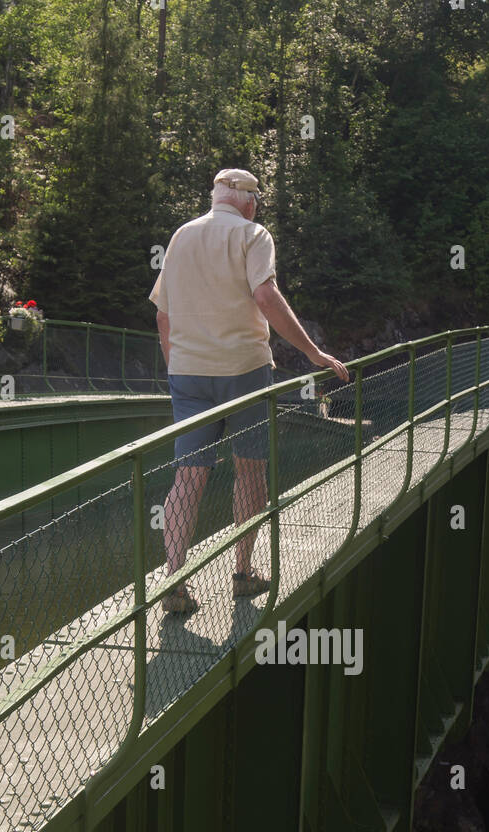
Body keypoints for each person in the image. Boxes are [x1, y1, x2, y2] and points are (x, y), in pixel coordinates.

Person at [149, 168, 350, 616]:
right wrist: (315, 354)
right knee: (250, 469)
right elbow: (265, 295)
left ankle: (173, 579)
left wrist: (177, 366)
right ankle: (243, 573)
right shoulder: (253, 235)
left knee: (188, 476)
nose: (257, 206)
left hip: (188, 376)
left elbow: (163, 316)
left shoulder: (181, 236)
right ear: (246, 200)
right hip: (244, 372)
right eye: (257, 199)